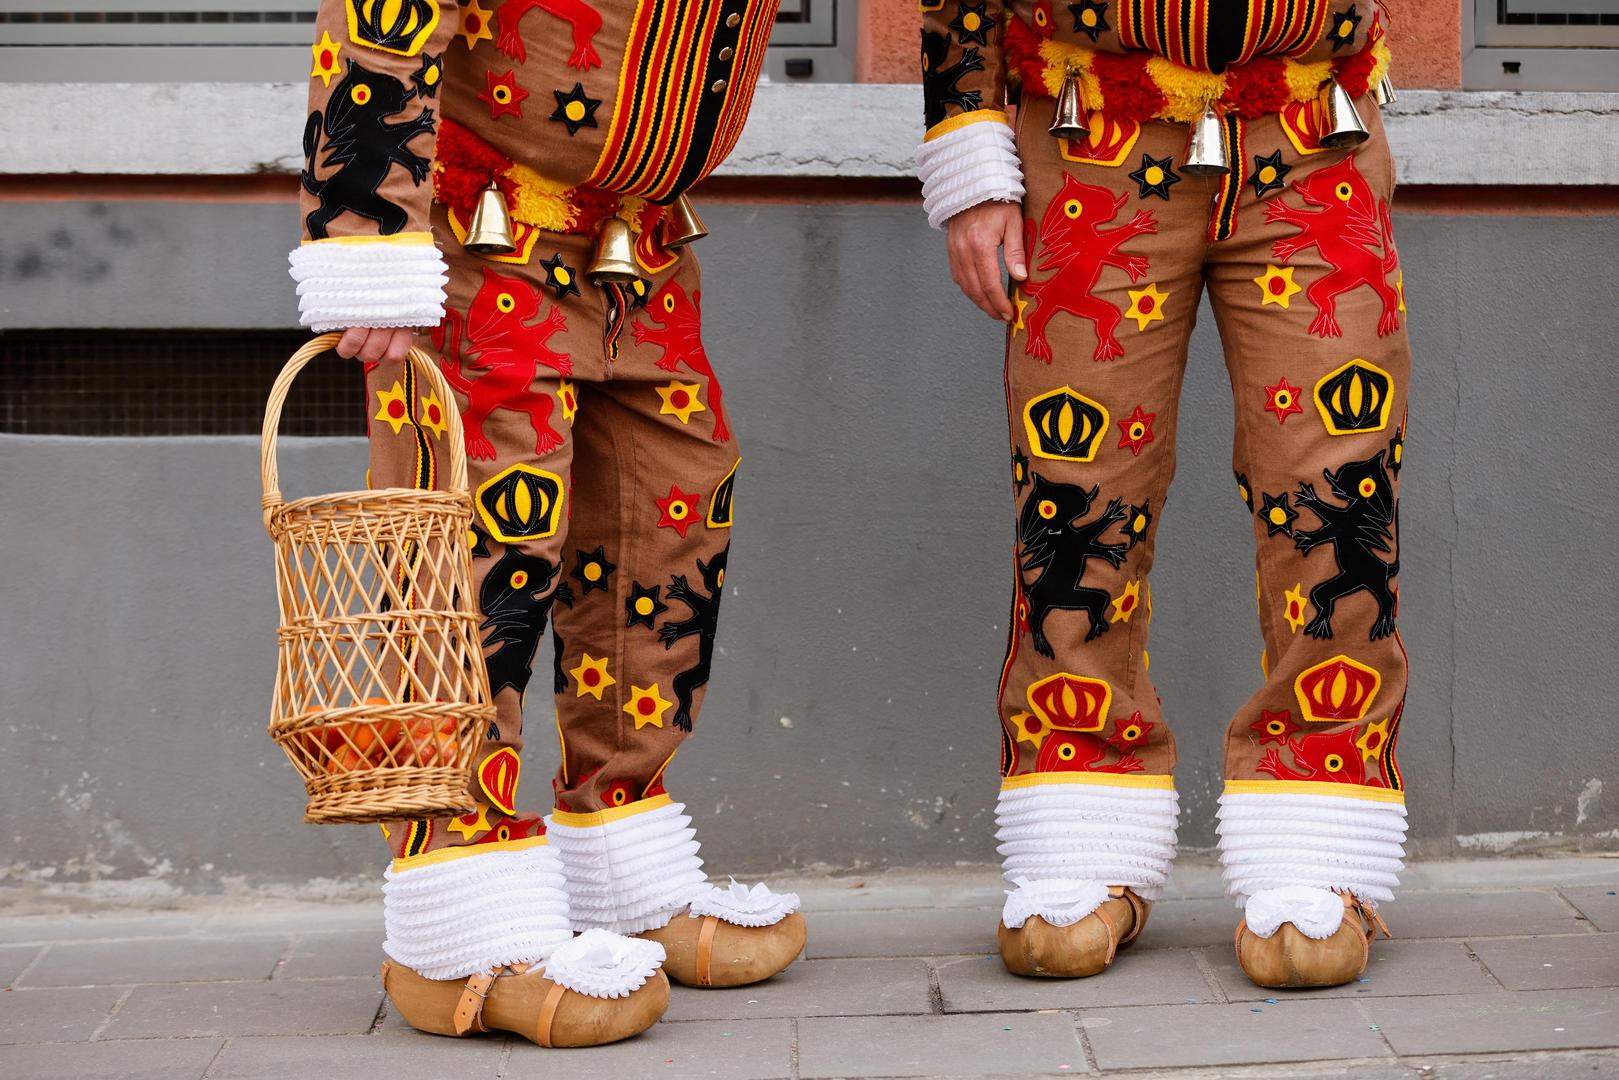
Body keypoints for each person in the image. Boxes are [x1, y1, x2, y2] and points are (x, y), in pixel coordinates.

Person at [288, 0, 805, 1045]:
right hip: (484, 246)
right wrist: (369, 224)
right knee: (476, 563)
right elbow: (381, 19)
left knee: (670, 524)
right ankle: (458, 919)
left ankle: (616, 851)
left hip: (637, 254)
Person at [917, 0, 1409, 987]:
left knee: (1335, 483)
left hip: (1316, 133)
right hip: (1087, 131)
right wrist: (965, 138)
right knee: (1076, 494)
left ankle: (1320, 839)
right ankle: (1081, 835)